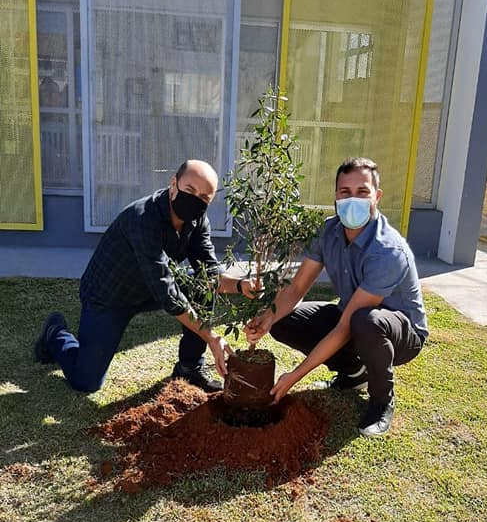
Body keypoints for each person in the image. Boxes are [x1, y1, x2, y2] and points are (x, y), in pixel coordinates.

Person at [34, 159, 255, 394]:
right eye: (190, 190)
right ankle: (55, 332)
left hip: (149, 290)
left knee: (201, 286)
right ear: (173, 184)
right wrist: (211, 336)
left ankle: (189, 368)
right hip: (109, 296)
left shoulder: (197, 221)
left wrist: (242, 286)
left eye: (203, 198)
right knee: (86, 381)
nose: (195, 200)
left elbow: (208, 272)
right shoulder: (142, 218)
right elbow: (167, 293)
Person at [245, 157, 428, 437]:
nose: (352, 199)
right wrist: (268, 317)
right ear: (335, 196)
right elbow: (296, 289)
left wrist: (295, 376)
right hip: (353, 318)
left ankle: (381, 402)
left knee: (367, 321)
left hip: (400, 334)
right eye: (345, 192)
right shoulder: (328, 231)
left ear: (376, 197)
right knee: (285, 319)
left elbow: (346, 327)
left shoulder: (388, 251)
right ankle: (354, 374)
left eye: (362, 192)